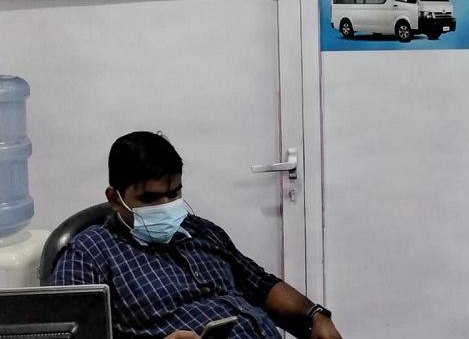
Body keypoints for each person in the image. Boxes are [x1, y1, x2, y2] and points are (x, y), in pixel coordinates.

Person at [52, 131, 343, 339]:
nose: (165, 206)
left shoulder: (201, 231)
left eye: (173, 194)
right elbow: (67, 334)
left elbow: (260, 284)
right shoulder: (88, 254)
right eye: (150, 199)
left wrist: (315, 315)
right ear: (115, 199)